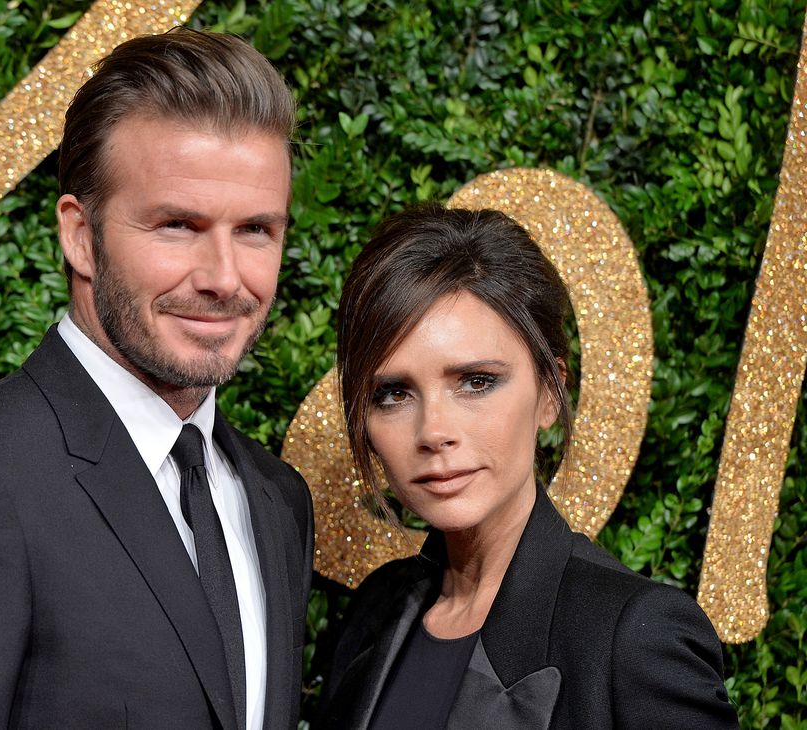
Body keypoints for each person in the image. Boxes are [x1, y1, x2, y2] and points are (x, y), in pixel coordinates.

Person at [0, 28, 313, 730]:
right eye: (177, 225)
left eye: (256, 230)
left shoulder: (274, 501)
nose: (224, 278)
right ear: (81, 236)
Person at [316, 204, 738, 729]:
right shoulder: (373, 612)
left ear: (548, 394)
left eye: (476, 382)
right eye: (394, 393)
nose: (433, 432)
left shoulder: (633, 637)